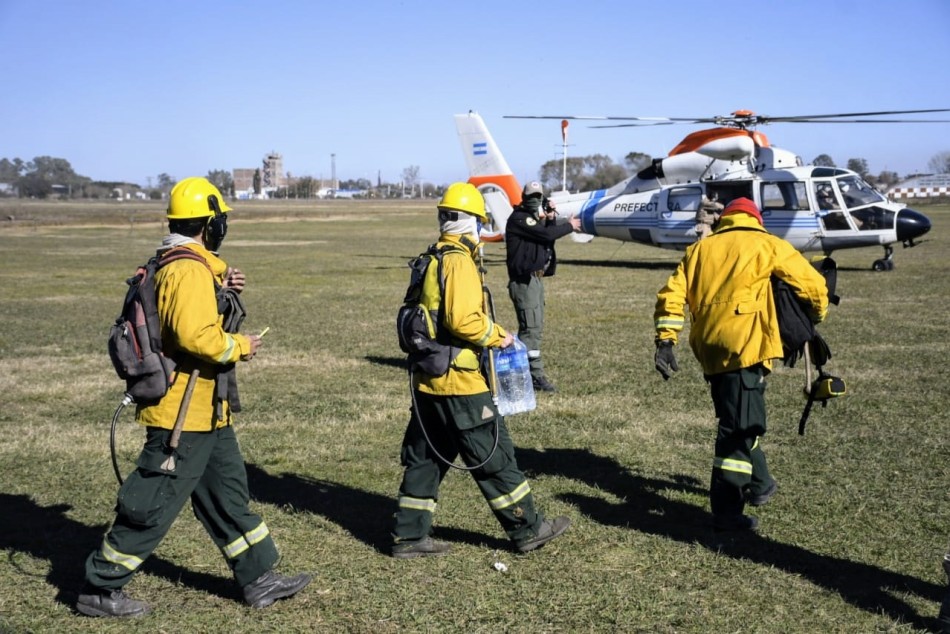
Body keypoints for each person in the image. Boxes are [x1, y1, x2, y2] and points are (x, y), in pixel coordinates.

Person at [77, 177, 310, 617]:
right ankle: (100, 586)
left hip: (208, 412)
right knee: (152, 502)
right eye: (220, 221)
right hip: (182, 416)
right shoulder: (186, 270)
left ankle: (259, 578)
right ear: (209, 224)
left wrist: (224, 280)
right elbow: (195, 336)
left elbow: (193, 305)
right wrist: (241, 345)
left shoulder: (186, 264)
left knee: (228, 495)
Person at [391, 182, 570, 558]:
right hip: (459, 382)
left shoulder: (432, 256)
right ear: (471, 222)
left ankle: (408, 537)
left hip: (429, 380)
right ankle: (528, 528)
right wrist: (499, 336)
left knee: (425, 459)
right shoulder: (457, 261)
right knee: (495, 455)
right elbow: (462, 320)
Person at [652, 197, 829, 532]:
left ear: (726, 219)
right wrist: (815, 318)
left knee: (738, 414)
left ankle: (761, 485)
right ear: (755, 219)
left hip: (710, 349)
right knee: (738, 428)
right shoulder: (768, 245)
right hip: (746, 347)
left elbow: (671, 296)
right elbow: (815, 288)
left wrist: (666, 340)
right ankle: (727, 510)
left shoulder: (699, 250)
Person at [504, 181, 582, 392]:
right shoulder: (520, 218)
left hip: (535, 281)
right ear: (523, 196)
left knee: (534, 329)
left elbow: (544, 240)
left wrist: (551, 219)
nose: (535, 200)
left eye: (538, 196)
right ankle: (533, 375)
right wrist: (569, 226)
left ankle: (519, 369)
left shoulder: (531, 221)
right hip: (524, 282)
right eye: (532, 196)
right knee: (530, 329)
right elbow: (546, 235)